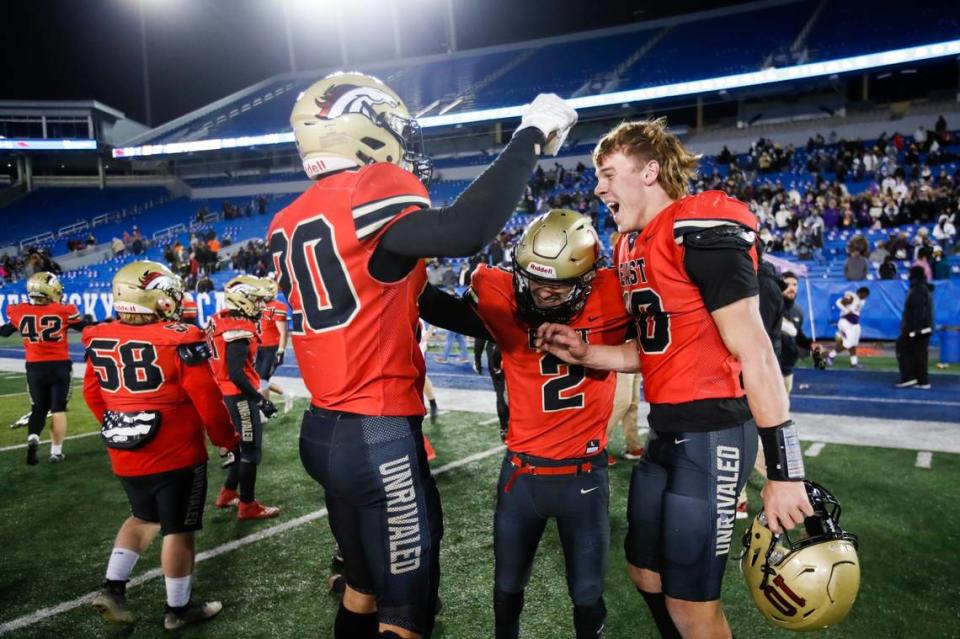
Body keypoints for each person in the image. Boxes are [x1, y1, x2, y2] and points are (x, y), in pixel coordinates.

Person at [268, 71, 576, 639]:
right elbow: (467, 229)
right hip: (377, 436)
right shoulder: (370, 191)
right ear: (363, 130)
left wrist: (514, 327)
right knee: (406, 614)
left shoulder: (291, 219)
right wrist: (529, 135)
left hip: (322, 432)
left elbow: (420, 297)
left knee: (362, 587)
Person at [536, 118, 812, 638]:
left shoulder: (699, 224)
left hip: (713, 433)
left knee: (691, 602)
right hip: (667, 431)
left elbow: (754, 348)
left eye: (609, 173)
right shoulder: (630, 246)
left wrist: (784, 471)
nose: (598, 187)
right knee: (645, 574)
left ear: (651, 172)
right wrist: (586, 351)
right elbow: (657, 349)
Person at [419, 210, 630, 639]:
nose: (541, 293)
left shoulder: (614, 294)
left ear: (588, 277)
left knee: (587, 595)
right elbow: (433, 305)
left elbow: (666, 341)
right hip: (522, 475)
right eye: (534, 279)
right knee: (506, 588)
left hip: (583, 476)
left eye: (556, 285)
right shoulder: (499, 296)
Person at [82, 261, 237, 630]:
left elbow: (92, 394)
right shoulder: (180, 337)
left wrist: (121, 422)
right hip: (176, 450)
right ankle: (179, 610)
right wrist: (227, 440)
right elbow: (207, 400)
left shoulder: (99, 336)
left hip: (125, 450)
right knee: (178, 530)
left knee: (141, 517)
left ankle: (113, 588)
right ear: (160, 297)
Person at [207, 276, 281, 520]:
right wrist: (261, 401)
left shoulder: (221, 317)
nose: (262, 305)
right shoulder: (239, 327)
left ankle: (228, 493)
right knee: (251, 452)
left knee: (241, 450)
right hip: (238, 396)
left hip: (224, 393)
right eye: (257, 300)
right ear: (244, 299)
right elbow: (237, 374)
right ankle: (247, 505)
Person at [1, 272, 90, 464]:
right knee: (58, 410)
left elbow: (5, 332)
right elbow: (86, 327)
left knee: (38, 410)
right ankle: (56, 452)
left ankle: (33, 437)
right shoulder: (63, 310)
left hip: (35, 367)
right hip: (59, 366)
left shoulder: (19, 311)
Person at [255, 277, 294, 413]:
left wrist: (281, 351)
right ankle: (286, 395)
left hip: (271, 349)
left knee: (262, 380)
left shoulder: (277, 307)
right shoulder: (257, 305)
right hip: (258, 347)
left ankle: (265, 410)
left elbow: (283, 332)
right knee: (258, 379)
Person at [896, 266, 934, 389]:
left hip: (917, 329)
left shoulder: (917, 290)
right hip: (923, 328)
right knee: (920, 354)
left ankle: (909, 377)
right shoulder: (923, 288)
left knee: (903, 348)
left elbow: (918, 311)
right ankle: (922, 380)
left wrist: (914, 330)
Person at [474, 337, 509, 440]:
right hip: (514, 349)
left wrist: (477, 360)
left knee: (500, 391)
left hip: (495, 351)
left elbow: (479, 338)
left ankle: (504, 428)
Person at [827, 287, 870, 368]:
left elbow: (855, 311)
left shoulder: (862, 301)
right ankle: (830, 355)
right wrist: (846, 310)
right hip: (845, 322)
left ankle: (854, 362)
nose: (865, 297)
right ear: (860, 293)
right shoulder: (852, 297)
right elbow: (838, 302)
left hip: (855, 324)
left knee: (853, 344)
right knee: (849, 343)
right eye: (865, 295)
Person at [606, 373, 644, 459]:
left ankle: (633, 446)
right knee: (622, 403)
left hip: (637, 360)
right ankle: (598, 447)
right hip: (622, 360)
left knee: (633, 404)